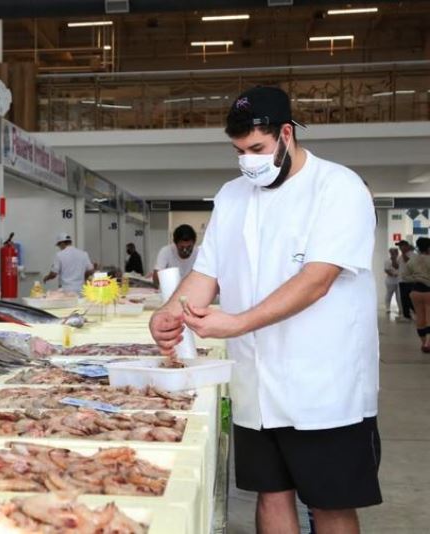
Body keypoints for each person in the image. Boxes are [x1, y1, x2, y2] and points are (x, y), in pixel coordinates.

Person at [149, 86, 380, 533]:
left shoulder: (338, 187)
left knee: (330, 504)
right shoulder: (232, 195)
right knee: (270, 494)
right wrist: (170, 313)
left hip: (323, 385)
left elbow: (316, 281)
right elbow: (206, 275)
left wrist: (235, 323)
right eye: (238, 151)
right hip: (255, 383)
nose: (247, 160)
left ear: (286, 134)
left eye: (256, 148)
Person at [404, 237, 430, 352]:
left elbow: (404, 276)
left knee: (420, 317)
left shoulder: (412, 260)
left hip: (415, 292)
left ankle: (424, 343)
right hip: (429, 291)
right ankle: (428, 343)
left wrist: (416, 278)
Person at [397, 240, 415, 321]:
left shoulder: (412, 255)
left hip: (409, 280)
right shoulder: (400, 256)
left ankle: (414, 313)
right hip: (401, 280)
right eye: (399, 246)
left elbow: (408, 262)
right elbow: (397, 266)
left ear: (407, 246)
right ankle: (406, 315)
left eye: (402, 246)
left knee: (410, 299)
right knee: (404, 299)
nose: (400, 247)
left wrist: (404, 253)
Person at [384, 247, 401, 316]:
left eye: (395, 253)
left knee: (399, 296)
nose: (394, 254)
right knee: (389, 294)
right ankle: (387, 308)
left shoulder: (400, 260)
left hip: (399, 280)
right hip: (390, 281)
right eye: (392, 253)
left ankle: (400, 308)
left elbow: (398, 267)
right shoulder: (387, 261)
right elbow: (386, 270)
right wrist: (393, 274)